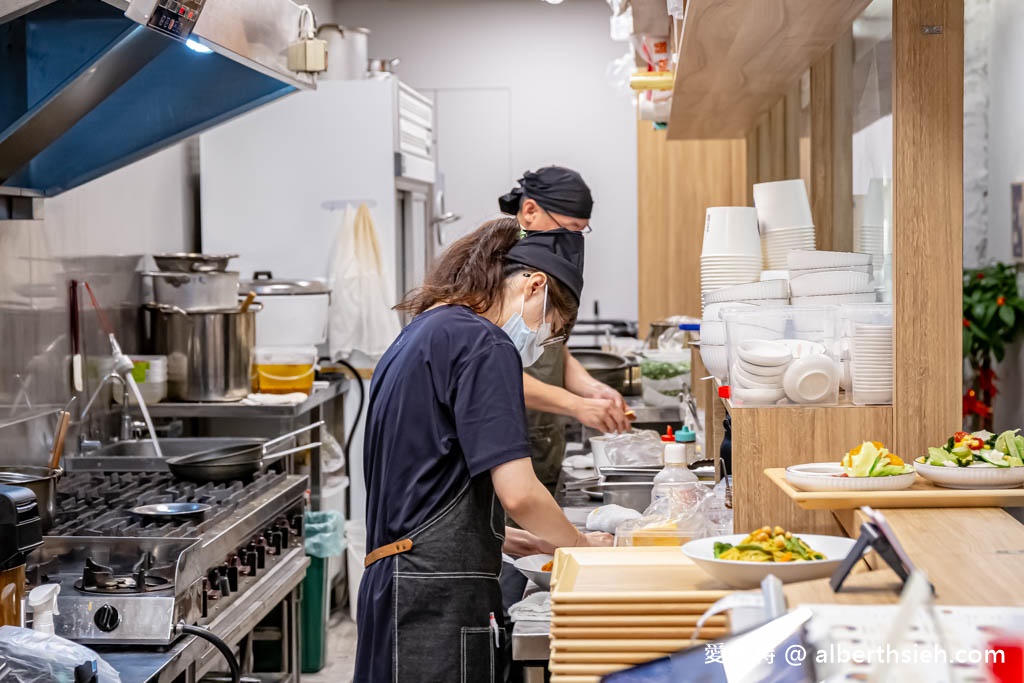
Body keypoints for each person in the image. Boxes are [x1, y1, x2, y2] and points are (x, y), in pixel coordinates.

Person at [354, 219, 611, 683]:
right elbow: (519, 494)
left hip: (395, 584)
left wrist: (509, 538)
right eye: (551, 330)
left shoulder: (424, 331)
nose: (541, 342)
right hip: (435, 599)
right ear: (535, 286)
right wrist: (581, 549)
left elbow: (424, 479)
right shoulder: (485, 342)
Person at [499, 166, 631, 491]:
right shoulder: (501, 276)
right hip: (507, 443)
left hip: (544, 439)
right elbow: (490, 373)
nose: (571, 241)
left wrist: (590, 388)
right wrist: (576, 405)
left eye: (580, 232)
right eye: (568, 228)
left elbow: (554, 347)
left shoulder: (543, 270)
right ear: (529, 210)